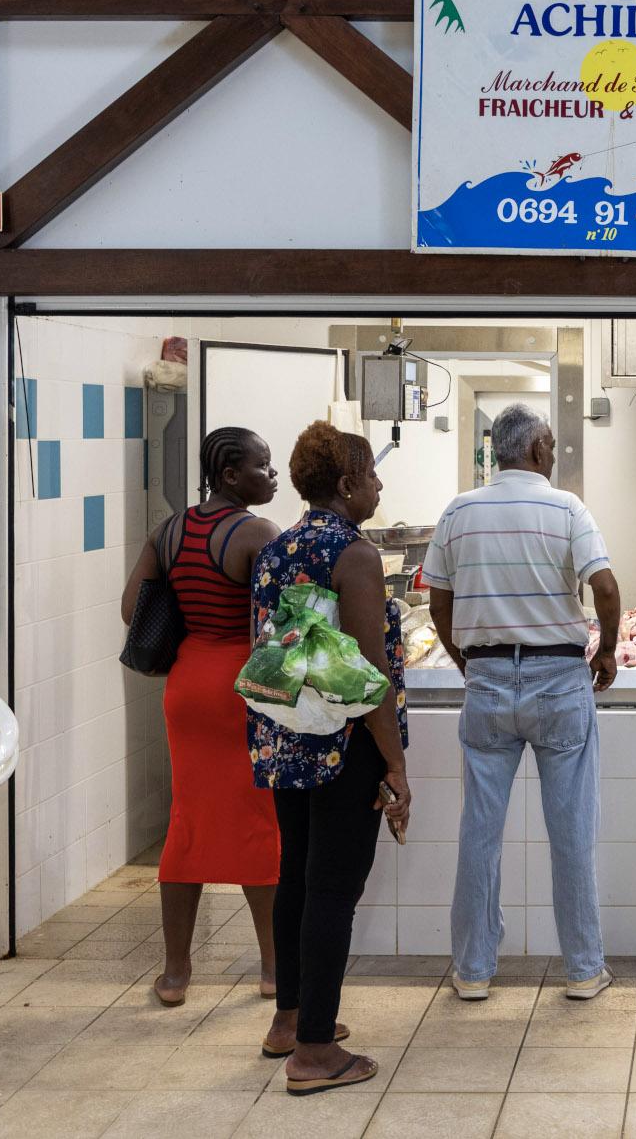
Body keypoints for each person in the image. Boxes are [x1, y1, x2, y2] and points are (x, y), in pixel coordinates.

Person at [424, 403, 622, 1003]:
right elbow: (606, 587)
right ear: (537, 448)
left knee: (480, 831)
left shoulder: (459, 510)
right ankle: (584, 971)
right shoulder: (566, 508)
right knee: (571, 832)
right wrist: (606, 652)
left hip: (487, 682)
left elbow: (438, 601)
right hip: (559, 678)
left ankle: (474, 971)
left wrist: (468, 662)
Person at [250, 422, 413, 1095]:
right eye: (371, 474)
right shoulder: (354, 556)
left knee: (296, 876)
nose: (379, 485)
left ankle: (290, 1019)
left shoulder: (276, 548)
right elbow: (369, 673)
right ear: (346, 485)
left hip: (285, 738)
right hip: (344, 748)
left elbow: (271, 648)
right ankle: (315, 1052)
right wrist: (395, 765)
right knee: (333, 891)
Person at [119, 428, 284, 1008]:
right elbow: (284, 620)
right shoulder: (257, 533)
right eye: (264, 466)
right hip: (241, 687)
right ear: (232, 476)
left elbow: (129, 607)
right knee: (257, 820)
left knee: (186, 820)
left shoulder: (168, 531)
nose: (273, 475)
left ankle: (175, 973)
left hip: (187, 686)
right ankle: (272, 967)